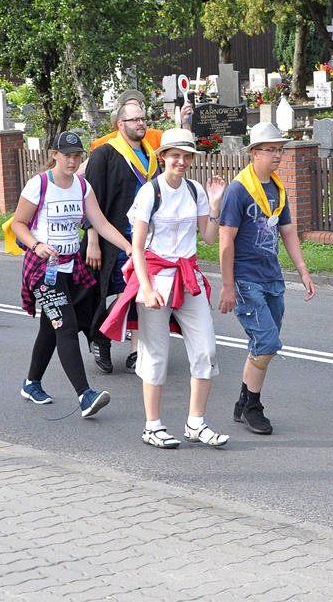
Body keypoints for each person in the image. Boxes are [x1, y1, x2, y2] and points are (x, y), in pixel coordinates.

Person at [101, 128, 228, 449]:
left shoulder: (195, 190)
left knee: (206, 350)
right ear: (163, 158)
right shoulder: (150, 193)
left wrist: (214, 204)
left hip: (188, 279)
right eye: (175, 155)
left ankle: (196, 423)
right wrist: (145, 287)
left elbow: (209, 237)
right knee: (156, 354)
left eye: (186, 156)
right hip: (156, 279)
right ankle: (152, 425)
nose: (181, 161)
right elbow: (137, 245)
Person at [10, 131, 133, 418]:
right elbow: (18, 223)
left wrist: (130, 248)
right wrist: (36, 245)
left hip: (70, 268)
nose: (73, 161)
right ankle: (85, 394)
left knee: (49, 328)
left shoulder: (82, 186)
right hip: (43, 271)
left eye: (78, 156)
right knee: (64, 326)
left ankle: (31, 383)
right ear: (54, 154)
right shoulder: (38, 185)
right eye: (67, 155)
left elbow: (101, 224)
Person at [81, 90, 192, 375]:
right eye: (134, 120)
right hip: (114, 238)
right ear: (121, 125)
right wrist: (92, 238)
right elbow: (92, 199)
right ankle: (101, 336)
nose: (141, 124)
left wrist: (185, 123)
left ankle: (134, 351)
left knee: (141, 293)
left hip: (148, 239)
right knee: (125, 292)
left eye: (143, 118)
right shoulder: (104, 154)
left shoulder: (150, 155)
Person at [217, 122, 316, 435]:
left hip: (272, 279)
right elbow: (225, 241)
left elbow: (287, 231)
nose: (278, 155)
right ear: (254, 153)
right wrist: (228, 286)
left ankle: (243, 401)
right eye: (271, 149)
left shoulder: (277, 187)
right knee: (267, 342)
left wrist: (302, 269)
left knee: (261, 345)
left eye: (280, 149)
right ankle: (252, 407)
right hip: (246, 280)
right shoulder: (238, 190)